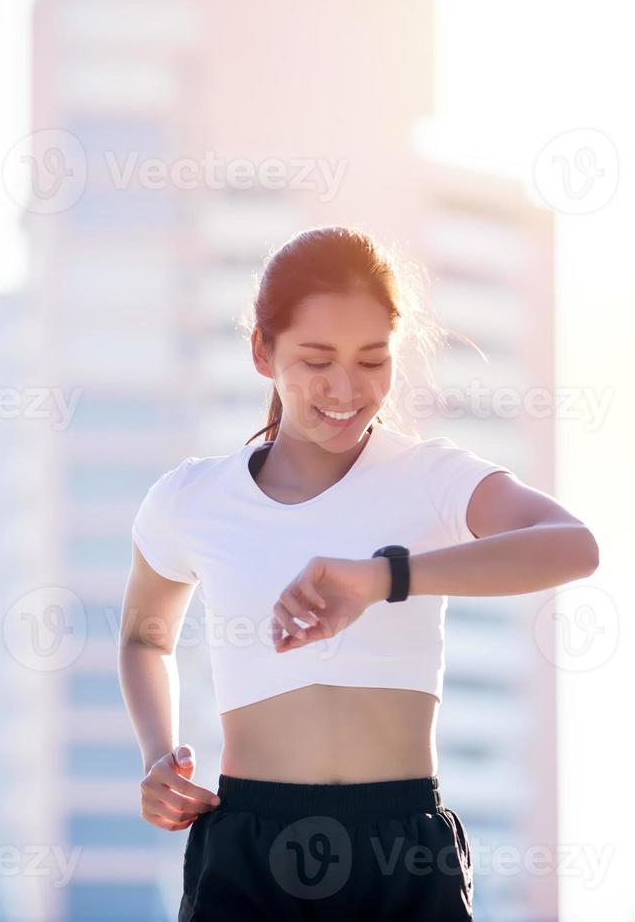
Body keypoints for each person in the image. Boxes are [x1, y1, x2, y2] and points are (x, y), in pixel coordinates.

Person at [117, 226, 600, 920]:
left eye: (373, 361)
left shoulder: (429, 476)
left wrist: (382, 579)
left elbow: (572, 545)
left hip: (402, 847)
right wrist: (157, 754)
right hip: (251, 846)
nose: (346, 389)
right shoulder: (191, 499)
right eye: (316, 361)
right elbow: (144, 638)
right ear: (262, 351)